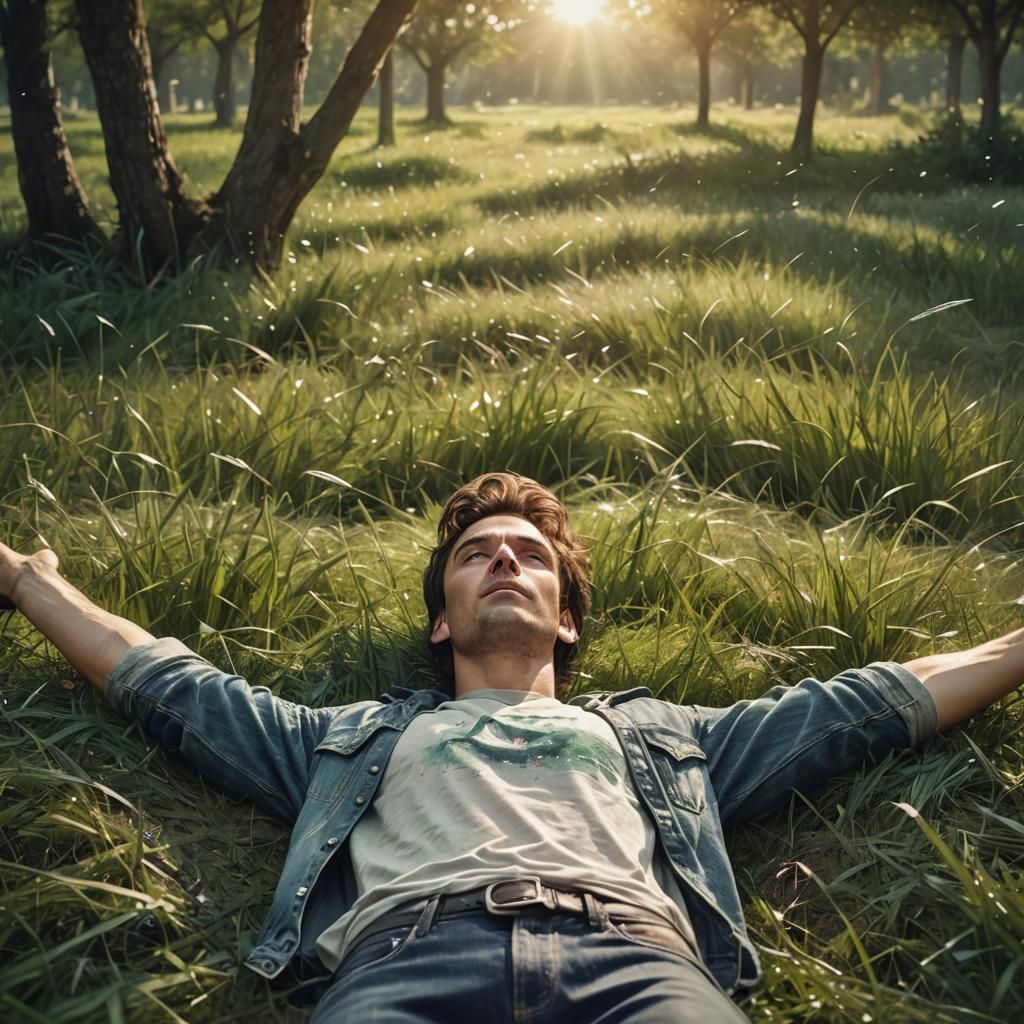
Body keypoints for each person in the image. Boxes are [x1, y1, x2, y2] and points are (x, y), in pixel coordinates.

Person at [1, 471, 1022, 1023]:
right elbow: (165, 682)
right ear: (442, 620)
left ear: (565, 619)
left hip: (635, 963)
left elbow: (867, 702)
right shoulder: (347, 740)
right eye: (476, 552)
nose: (501, 557)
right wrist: (24, 581)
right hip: (405, 963)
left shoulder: (661, 740)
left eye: (528, 554)